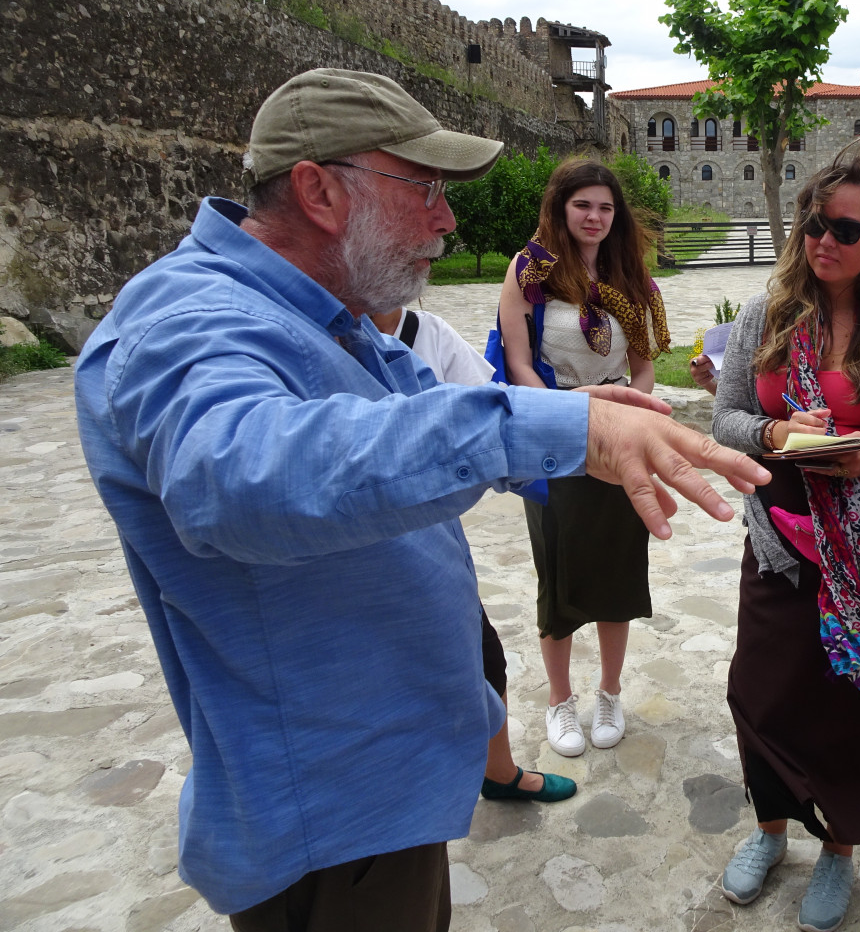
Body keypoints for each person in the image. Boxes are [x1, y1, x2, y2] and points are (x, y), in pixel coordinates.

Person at [73, 68, 768, 929]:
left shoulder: (331, 312)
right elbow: (236, 479)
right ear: (319, 189)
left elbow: (426, 413)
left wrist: (584, 420)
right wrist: (562, 430)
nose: (447, 219)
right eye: (426, 189)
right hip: (333, 827)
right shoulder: (191, 316)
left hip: (383, 794)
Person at [711, 147, 860, 932]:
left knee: (858, 706)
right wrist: (778, 431)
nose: (825, 238)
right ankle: (770, 832)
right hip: (785, 541)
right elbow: (725, 421)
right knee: (766, 691)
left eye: (846, 228)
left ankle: (841, 849)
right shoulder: (765, 316)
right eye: (817, 220)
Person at [497, 159, 670, 758]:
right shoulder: (530, 272)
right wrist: (571, 424)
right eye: (583, 206)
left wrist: (627, 417)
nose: (595, 217)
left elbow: (644, 368)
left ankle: (610, 692)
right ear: (560, 207)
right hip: (557, 440)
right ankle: (560, 700)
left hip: (621, 438)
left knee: (618, 572)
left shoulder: (631, 276)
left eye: (605, 207)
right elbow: (519, 362)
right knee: (560, 576)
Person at [370, 304, 572, 803]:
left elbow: (490, 408)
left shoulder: (427, 334)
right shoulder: (294, 334)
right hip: (357, 564)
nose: (444, 224)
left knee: (483, 657)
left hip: (433, 545)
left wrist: (582, 419)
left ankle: (498, 772)